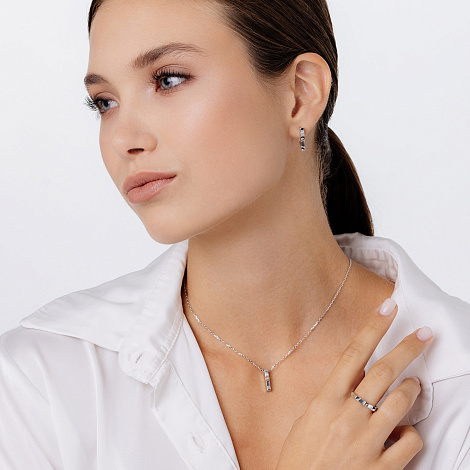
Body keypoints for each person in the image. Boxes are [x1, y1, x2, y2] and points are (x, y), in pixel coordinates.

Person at [0, 0, 469, 469]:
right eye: (105, 102)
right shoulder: (41, 383)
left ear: (300, 94)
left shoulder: (458, 381)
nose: (123, 138)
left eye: (168, 80)